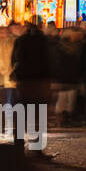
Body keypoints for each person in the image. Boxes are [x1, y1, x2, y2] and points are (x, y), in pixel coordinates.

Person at [11, 22, 54, 159]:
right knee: (38, 117)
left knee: (21, 116)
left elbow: (15, 60)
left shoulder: (20, 41)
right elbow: (50, 61)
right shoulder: (44, 41)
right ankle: (37, 149)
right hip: (40, 82)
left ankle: (18, 149)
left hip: (24, 81)